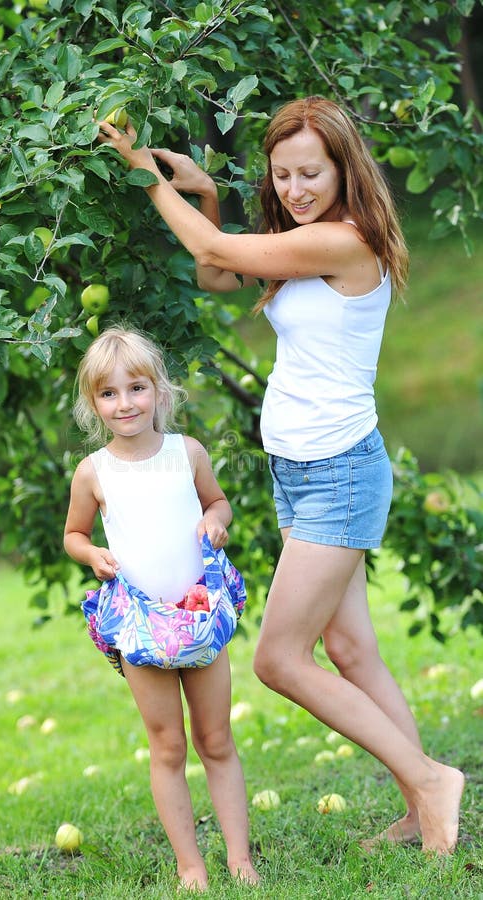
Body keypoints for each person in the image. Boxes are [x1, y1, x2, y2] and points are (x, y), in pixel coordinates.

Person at [97, 96, 465, 855]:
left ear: (342, 170)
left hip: (339, 473)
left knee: (277, 659)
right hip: (299, 471)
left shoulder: (343, 240)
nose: (295, 189)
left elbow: (214, 249)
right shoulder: (301, 241)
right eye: (283, 174)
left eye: (311, 174)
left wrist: (145, 175)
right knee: (351, 651)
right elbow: (215, 273)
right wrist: (203, 193)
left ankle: (432, 780)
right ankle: (416, 805)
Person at [63, 326, 260, 890]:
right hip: (143, 626)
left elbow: (217, 502)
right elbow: (73, 534)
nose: (124, 403)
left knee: (216, 739)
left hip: (197, 618)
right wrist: (92, 553)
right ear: (93, 404)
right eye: (108, 393)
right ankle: (190, 864)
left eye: (136, 388)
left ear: (160, 391)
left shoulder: (186, 453)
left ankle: (239, 857)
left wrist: (215, 521)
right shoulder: (94, 472)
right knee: (168, 745)